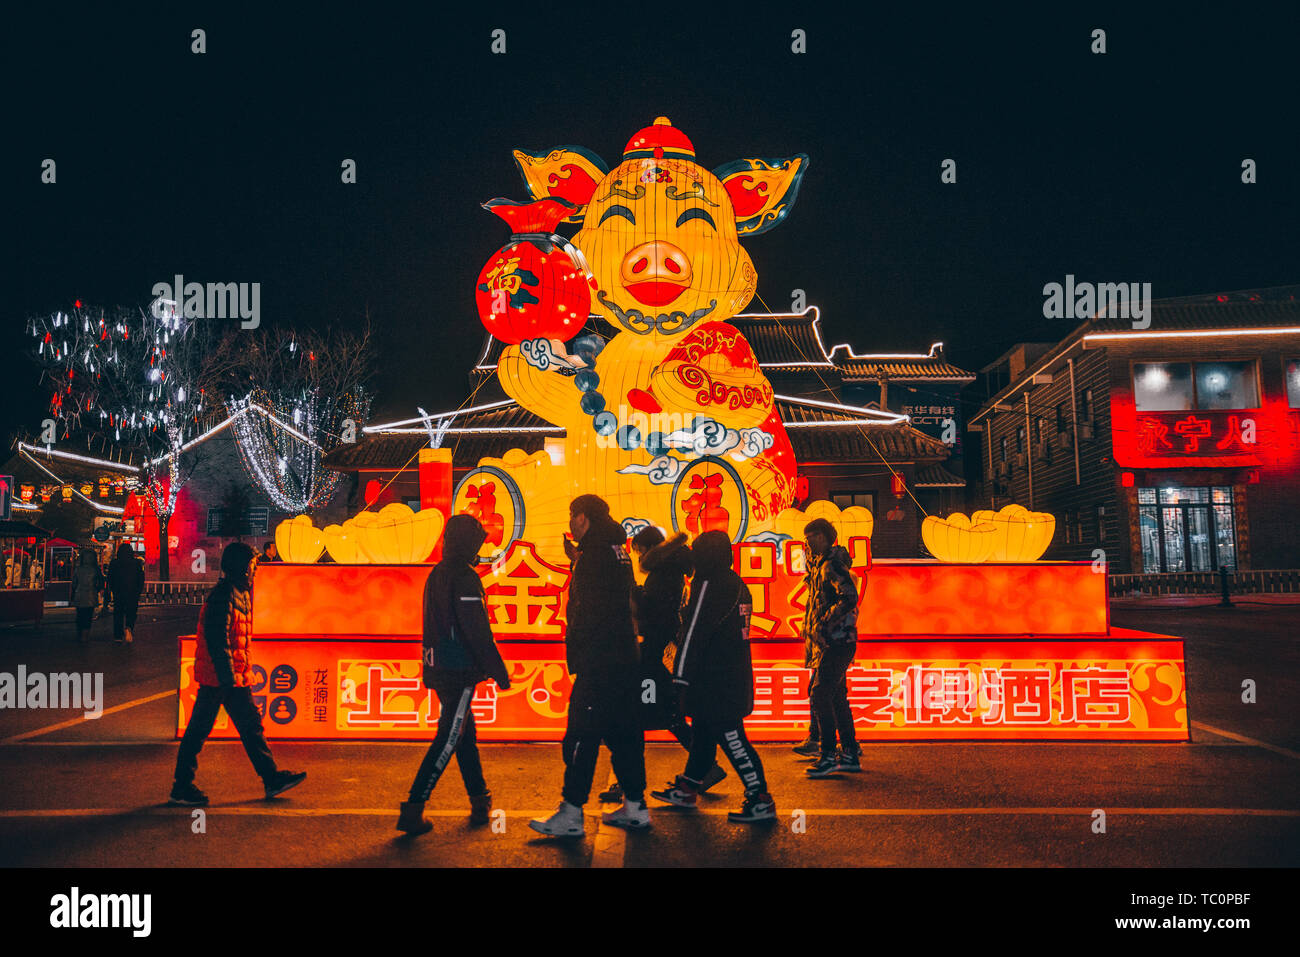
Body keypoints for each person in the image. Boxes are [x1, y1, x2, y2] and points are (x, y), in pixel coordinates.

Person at [530, 495, 648, 836]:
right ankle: (636, 807)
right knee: (624, 733)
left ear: (583, 518)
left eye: (572, 515)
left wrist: (582, 654)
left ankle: (571, 811)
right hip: (624, 658)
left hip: (600, 661)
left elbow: (588, 608)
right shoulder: (617, 550)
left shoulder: (595, 555)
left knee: (581, 734)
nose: (569, 523)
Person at [650, 530, 776, 823]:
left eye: (697, 550)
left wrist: (679, 679)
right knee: (705, 734)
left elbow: (694, 633)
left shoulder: (709, 584)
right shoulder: (735, 582)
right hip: (732, 675)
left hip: (715, 681)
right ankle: (688, 788)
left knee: (732, 739)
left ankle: (760, 799)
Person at [397, 515, 512, 835]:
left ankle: (480, 799)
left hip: (440, 665)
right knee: (450, 738)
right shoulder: (465, 577)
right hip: (458, 670)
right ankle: (413, 807)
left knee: (464, 735)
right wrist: (498, 670)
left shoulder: (438, 573)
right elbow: (476, 629)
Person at [168, 542, 306, 806]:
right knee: (201, 731)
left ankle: (270, 778)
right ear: (241, 568)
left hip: (231, 676)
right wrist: (228, 678)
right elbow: (218, 639)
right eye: (252, 565)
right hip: (221, 678)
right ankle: (182, 787)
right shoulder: (223, 596)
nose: (255, 570)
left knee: (248, 727)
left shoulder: (239, 593)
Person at [599, 527, 725, 804]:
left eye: (639, 551)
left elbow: (650, 610)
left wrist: (632, 592)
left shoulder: (664, 571)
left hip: (652, 652)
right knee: (666, 713)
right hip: (661, 651)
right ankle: (705, 768)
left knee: (636, 715)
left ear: (647, 549)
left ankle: (628, 785)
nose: (639, 557)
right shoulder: (673, 568)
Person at [801, 518, 862, 777]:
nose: (807, 542)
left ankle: (827, 755)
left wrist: (824, 623)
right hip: (833, 641)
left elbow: (849, 597)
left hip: (836, 640)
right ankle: (848, 751)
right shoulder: (819, 566)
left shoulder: (831, 565)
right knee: (836, 696)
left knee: (820, 694)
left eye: (812, 536)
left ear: (825, 537)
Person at [107, 543, 144, 645]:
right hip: (132, 593)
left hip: (118, 592)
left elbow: (110, 578)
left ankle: (118, 635)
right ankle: (129, 628)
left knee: (118, 613)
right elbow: (140, 579)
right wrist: (138, 591)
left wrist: (112, 590)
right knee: (131, 613)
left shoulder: (114, 563)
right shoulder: (137, 563)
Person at [70, 550, 104, 643]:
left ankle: (80, 633)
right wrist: (98, 589)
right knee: (88, 616)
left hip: (79, 594)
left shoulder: (78, 569)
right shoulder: (95, 569)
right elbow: (100, 582)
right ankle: (85, 635)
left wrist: (73, 595)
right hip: (91, 595)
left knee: (80, 615)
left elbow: (74, 584)